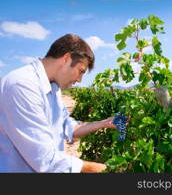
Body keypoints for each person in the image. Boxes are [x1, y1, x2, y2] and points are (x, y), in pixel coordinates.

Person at [0, 33, 117, 173]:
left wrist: (105, 123)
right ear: (66, 59)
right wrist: (100, 169)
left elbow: (69, 128)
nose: (80, 80)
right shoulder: (22, 85)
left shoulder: (53, 88)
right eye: (81, 71)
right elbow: (43, 159)